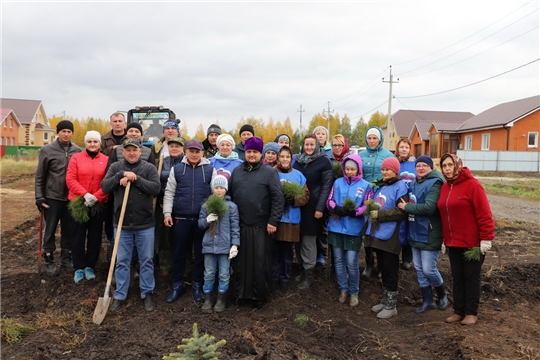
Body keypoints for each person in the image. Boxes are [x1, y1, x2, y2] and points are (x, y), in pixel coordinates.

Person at [101, 138, 161, 312]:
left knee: (147, 260)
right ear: (123, 152)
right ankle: (120, 294)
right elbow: (105, 187)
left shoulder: (148, 168)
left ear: (140, 152)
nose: (131, 153)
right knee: (122, 261)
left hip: (145, 224)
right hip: (122, 224)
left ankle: (147, 292)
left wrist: (136, 179)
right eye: (128, 150)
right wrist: (121, 176)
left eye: (134, 150)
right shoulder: (116, 168)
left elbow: (156, 189)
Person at [438, 153, 494, 326]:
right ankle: (458, 311)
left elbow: (484, 213)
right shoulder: (445, 187)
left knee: (471, 277)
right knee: (457, 277)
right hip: (453, 242)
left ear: (457, 165)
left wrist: (486, 238)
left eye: (450, 165)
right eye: (444, 166)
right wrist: (444, 239)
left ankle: (471, 312)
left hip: (472, 243)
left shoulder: (473, 186)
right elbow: (444, 216)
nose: (447, 169)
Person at [229, 137, 284, 309]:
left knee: (260, 261)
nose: (251, 155)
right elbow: (229, 196)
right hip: (240, 225)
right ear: (244, 153)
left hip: (261, 225)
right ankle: (241, 293)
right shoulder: (237, 171)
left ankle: (259, 295)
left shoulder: (269, 173)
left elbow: (278, 198)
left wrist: (273, 220)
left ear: (260, 154)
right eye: (248, 152)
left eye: (254, 152)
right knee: (240, 263)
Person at [163, 140, 216, 304]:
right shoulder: (177, 169)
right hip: (181, 218)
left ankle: (196, 285)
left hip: (201, 220)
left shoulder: (209, 170)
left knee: (200, 254)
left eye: (197, 151)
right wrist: (167, 213)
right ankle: (178, 285)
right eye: (191, 151)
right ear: (186, 152)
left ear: (202, 153)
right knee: (179, 253)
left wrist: (213, 215)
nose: (194, 154)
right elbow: (169, 192)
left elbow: (215, 194)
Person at [397, 155, 448, 314]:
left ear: (431, 167)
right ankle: (427, 301)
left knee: (428, 269)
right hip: (414, 230)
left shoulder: (436, 183)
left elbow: (428, 208)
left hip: (429, 231)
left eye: (424, 165)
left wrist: (406, 208)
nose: (420, 168)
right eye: (418, 165)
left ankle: (442, 294)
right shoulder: (413, 183)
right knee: (419, 268)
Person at [35, 120, 81, 276]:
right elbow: (40, 176)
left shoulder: (77, 150)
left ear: (72, 133)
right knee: (50, 229)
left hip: (70, 197)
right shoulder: (47, 150)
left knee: (68, 229)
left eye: (69, 131)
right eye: (63, 131)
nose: (66, 134)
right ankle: (49, 260)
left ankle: (66, 259)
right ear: (58, 132)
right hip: (52, 197)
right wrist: (39, 197)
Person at [365, 157, 409, 319]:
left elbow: (401, 211)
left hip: (392, 235)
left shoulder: (400, 187)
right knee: (383, 268)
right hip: (379, 234)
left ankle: (392, 306)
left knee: (390, 270)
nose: (384, 172)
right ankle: (385, 301)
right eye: (383, 169)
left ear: (395, 171)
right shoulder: (382, 186)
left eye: (388, 169)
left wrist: (380, 215)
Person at [326, 155, 372, 307]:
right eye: (347, 169)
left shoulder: (366, 186)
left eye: (353, 169)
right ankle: (343, 289)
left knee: (352, 262)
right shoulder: (338, 182)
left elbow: (367, 205)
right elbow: (329, 200)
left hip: (353, 229)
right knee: (338, 261)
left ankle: (354, 291)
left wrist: (355, 212)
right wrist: (335, 208)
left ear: (358, 169)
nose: (350, 172)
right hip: (336, 227)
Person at [66, 131, 108, 283]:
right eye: (89, 141)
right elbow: (70, 179)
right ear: (85, 143)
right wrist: (85, 194)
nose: (92, 144)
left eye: (95, 141)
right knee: (77, 236)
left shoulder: (106, 160)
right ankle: (78, 267)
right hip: (79, 202)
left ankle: (90, 265)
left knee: (95, 236)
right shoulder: (76, 158)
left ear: (99, 144)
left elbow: (107, 182)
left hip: (98, 203)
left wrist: (96, 196)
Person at [292, 134, 333, 289]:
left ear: (317, 146)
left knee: (309, 240)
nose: (309, 147)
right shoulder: (297, 161)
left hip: (313, 207)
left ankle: (309, 272)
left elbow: (326, 187)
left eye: (312, 145)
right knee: (298, 238)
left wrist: (320, 208)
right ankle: (302, 269)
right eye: (306, 144)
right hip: (297, 206)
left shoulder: (324, 162)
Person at [198, 175, 240, 313]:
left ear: (226, 190)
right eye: (216, 187)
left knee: (224, 273)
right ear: (212, 189)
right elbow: (200, 225)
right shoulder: (206, 206)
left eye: (222, 188)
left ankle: (221, 299)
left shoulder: (231, 207)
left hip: (224, 247)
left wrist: (234, 245)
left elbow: (235, 227)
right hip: (209, 246)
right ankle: (208, 299)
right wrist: (207, 220)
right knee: (209, 273)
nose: (219, 190)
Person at [271, 146, 309, 293]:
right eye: (282, 156)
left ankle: (284, 278)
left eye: (288, 157)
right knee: (274, 251)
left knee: (287, 252)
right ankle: (273, 278)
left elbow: (306, 196)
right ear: (278, 158)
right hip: (275, 219)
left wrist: (293, 199)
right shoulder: (271, 173)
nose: (285, 159)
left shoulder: (298, 176)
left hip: (291, 220)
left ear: (291, 158)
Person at [359, 126, 394, 278]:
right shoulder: (361, 155)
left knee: (379, 229)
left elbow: (392, 173)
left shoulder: (387, 155)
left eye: (375, 138)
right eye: (369, 138)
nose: (372, 141)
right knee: (366, 231)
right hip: (365, 196)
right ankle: (368, 264)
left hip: (382, 194)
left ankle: (381, 266)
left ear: (380, 139)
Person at [156, 136, 185, 275]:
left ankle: (184, 266)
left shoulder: (186, 162)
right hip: (164, 202)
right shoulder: (163, 162)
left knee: (182, 237)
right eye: (172, 146)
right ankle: (165, 264)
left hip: (181, 204)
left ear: (182, 148)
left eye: (177, 146)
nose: (174, 149)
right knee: (165, 236)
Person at [101, 112, 127, 251]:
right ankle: (111, 240)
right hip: (111, 180)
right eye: (115, 121)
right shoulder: (104, 139)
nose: (117, 123)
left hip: (126, 183)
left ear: (124, 123)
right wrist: (112, 149)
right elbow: (98, 154)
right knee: (110, 214)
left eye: (120, 121)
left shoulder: (130, 138)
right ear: (110, 123)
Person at [396, 138, 416, 270]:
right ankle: (394, 255)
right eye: (401, 147)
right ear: (397, 148)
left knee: (409, 228)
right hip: (396, 199)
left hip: (410, 199)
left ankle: (407, 258)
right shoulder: (394, 163)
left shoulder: (415, 163)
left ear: (410, 149)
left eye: (406, 147)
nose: (404, 149)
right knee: (397, 228)